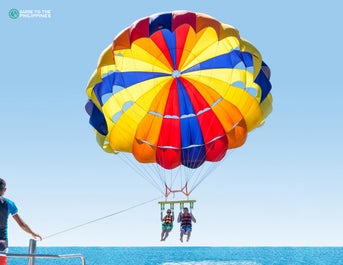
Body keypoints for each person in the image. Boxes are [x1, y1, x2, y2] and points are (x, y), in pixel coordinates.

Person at [0, 178, 42, 252]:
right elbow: (22, 224)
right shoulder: (9, 204)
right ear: (4, 189)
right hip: (2, 243)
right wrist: (32, 233)